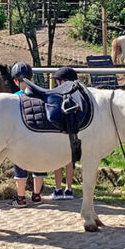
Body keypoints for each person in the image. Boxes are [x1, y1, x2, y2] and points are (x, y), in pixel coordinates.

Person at [8, 62, 46, 205]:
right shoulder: (41, 95)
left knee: (20, 165)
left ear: (15, 81)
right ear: (32, 78)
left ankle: (21, 198)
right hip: (39, 135)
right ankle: (36, 196)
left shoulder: (13, 98)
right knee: (39, 165)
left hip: (21, 137)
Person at [52, 66, 78, 200]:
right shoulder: (78, 97)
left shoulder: (58, 96)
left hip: (59, 133)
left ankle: (58, 189)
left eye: (59, 81)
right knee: (69, 162)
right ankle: (69, 189)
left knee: (58, 162)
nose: (57, 84)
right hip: (73, 134)